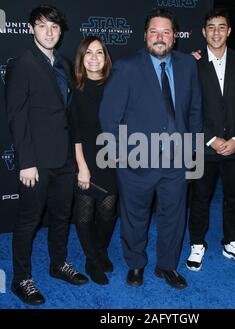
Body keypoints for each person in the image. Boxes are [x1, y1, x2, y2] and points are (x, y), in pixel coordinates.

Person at [100, 7, 202, 289]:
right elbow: (110, 117)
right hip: (136, 160)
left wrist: (192, 151)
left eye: (166, 32)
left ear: (174, 37)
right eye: (154, 31)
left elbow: (194, 110)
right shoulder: (127, 66)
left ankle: (166, 266)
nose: (160, 37)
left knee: (174, 216)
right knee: (135, 217)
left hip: (177, 160)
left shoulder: (187, 65)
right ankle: (135, 264)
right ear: (145, 35)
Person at [5, 4, 88, 306]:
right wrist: (26, 162)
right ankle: (21, 279)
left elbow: (69, 114)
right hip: (36, 162)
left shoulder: (64, 64)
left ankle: (58, 264)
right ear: (31, 29)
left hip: (64, 158)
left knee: (61, 216)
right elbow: (16, 116)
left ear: (61, 30)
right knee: (28, 221)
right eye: (42, 26)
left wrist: (76, 161)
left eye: (54, 27)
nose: (49, 32)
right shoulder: (22, 64)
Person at [186, 8, 235, 271]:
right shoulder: (191, 63)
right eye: (211, 27)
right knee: (200, 198)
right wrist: (210, 139)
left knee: (234, 198)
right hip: (204, 148)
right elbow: (189, 108)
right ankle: (197, 243)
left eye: (221, 27)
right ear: (204, 32)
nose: (216, 32)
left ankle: (232, 240)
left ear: (229, 31)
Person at [70, 36, 117, 285]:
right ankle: (91, 259)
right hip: (86, 158)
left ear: (105, 57)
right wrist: (82, 167)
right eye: (89, 52)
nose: (94, 57)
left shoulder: (115, 85)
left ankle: (100, 250)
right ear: (82, 57)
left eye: (99, 52)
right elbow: (75, 133)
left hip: (111, 159)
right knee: (85, 215)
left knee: (108, 213)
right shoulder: (76, 89)